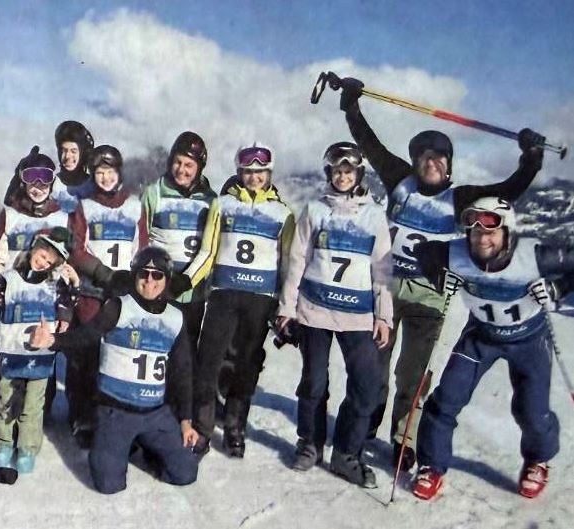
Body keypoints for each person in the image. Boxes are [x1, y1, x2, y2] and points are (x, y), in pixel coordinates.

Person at [337, 77, 546, 469]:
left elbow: (508, 191)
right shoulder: (400, 179)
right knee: (374, 368)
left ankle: (404, 439)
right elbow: (369, 144)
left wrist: (530, 160)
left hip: (429, 294)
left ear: (449, 165)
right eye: (424, 157)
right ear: (415, 162)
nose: (431, 163)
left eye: (439, 158)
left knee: (413, 373)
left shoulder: (460, 197)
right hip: (384, 287)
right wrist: (351, 106)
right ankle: (365, 426)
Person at [409, 196, 572, 500]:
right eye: (475, 232)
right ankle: (431, 465)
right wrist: (440, 276)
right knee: (445, 399)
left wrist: (558, 288)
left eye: (491, 232)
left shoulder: (534, 255)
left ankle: (538, 460)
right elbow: (423, 251)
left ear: (508, 232)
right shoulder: (457, 253)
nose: (482, 239)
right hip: (481, 336)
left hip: (528, 339)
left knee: (532, 412)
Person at [29, 246, 199, 494]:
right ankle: (115, 446)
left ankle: (147, 447)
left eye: (157, 275)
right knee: (109, 484)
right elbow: (87, 336)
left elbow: (183, 371)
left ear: (167, 279)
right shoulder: (119, 307)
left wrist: (185, 420)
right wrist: (53, 341)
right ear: (135, 275)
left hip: (155, 413)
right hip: (116, 412)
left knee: (185, 472)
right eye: (143, 274)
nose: (149, 281)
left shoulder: (176, 318)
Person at [276, 142, 393, 488]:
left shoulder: (374, 215)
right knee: (314, 382)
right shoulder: (315, 210)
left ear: (359, 174)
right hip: (315, 310)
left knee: (366, 385)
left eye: (348, 171)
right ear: (329, 173)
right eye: (337, 171)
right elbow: (297, 260)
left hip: (357, 314)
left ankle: (346, 453)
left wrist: (383, 316)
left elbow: (382, 270)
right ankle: (310, 443)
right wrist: (286, 308)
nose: (342, 177)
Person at [178, 144, 294, 457]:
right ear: (239, 172)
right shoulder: (223, 204)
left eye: (260, 172)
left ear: (269, 174)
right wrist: (185, 280)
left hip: (260, 300)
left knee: (247, 366)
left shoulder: (283, 213)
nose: (254, 177)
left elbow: (287, 265)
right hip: (224, 296)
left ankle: (234, 427)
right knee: (208, 362)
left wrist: (286, 307)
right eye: (248, 172)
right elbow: (208, 252)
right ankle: (203, 428)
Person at [66, 144, 148, 446]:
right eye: (99, 172)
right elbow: (75, 249)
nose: (105, 178)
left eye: (110, 172)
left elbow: (142, 247)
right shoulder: (85, 206)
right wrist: (102, 272)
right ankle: (83, 416)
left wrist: (132, 280)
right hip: (93, 291)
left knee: (119, 354)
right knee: (87, 355)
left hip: (123, 292)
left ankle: (117, 416)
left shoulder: (134, 205)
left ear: (119, 173)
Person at [0, 228, 79, 474]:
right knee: (6, 400)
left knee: (33, 405)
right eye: (42, 256)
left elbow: (68, 304)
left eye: (50, 262)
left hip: (40, 355)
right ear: (33, 249)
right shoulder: (9, 278)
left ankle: (27, 448)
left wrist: (74, 285)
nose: (43, 263)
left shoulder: (54, 284)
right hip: (12, 351)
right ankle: (3, 443)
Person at [141, 131, 216, 387]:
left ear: (199, 168)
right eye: (177, 162)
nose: (181, 170)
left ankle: (180, 403)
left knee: (186, 350)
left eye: (189, 165)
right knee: (156, 344)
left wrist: (190, 280)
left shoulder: (210, 200)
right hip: (158, 288)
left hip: (192, 292)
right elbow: (141, 240)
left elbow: (210, 248)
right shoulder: (154, 193)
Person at [0, 146, 69, 287]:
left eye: (44, 181)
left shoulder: (61, 219)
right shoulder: (11, 215)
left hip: (47, 292)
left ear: (52, 183)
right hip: (12, 289)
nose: (38, 188)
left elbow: (67, 263)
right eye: (31, 180)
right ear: (23, 183)